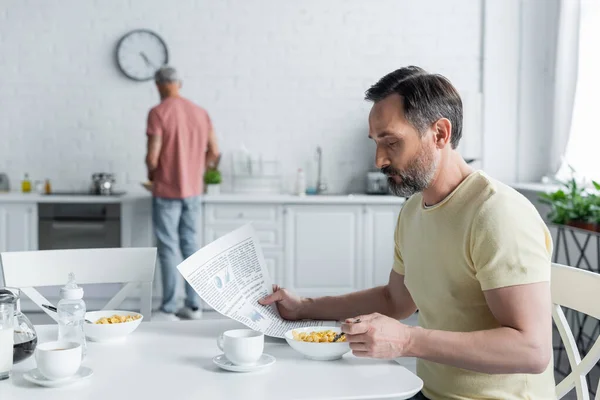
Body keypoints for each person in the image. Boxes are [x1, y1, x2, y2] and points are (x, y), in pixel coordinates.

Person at [259, 66, 555, 399]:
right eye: (376, 142)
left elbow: (532, 349)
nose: (379, 160)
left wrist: (407, 340)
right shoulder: (414, 210)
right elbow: (395, 300)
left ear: (440, 134)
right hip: (425, 391)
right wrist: (304, 308)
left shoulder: (497, 213)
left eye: (391, 142)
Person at [146, 66, 220, 321]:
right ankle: (193, 306)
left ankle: (168, 309)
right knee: (190, 244)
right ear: (180, 83)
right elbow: (214, 151)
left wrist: (152, 174)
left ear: (158, 85)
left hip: (167, 190)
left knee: (168, 247)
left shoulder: (158, 112)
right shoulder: (200, 112)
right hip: (193, 191)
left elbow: (153, 157)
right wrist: (198, 169)